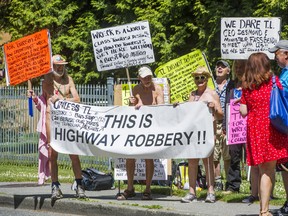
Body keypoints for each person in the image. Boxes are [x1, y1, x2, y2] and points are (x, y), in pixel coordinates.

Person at [28, 54, 86, 200]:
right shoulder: (47, 82)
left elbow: (77, 99)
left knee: (74, 154)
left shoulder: (69, 80)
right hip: (52, 122)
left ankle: (79, 185)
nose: (61, 68)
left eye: (62, 65)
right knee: (52, 155)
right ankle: (55, 186)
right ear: (51, 67)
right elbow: (48, 107)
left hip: (68, 122)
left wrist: (63, 99)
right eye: (57, 66)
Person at [239, 52, 288, 216]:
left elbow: (243, 111)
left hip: (254, 130)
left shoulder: (247, 85)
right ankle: (264, 211)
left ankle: (263, 209)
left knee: (262, 169)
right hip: (271, 127)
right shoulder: (274, 81)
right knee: (269, 170)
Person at [116, 65, 164, 200]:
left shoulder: (157, 89)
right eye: (144, 77)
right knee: (130, 156)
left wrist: (150, 107)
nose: (147, 79)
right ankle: (130, 188)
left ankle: (147, 189)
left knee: (149, 157)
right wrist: (132, 103)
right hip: (137, 128)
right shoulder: (135, 89)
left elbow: (162, 107)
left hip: (151, 127)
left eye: (149, 76)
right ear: (139, 78)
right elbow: (131, 110)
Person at [181, 66, 223, 203]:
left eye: (202, 77)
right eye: (197, 78)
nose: (199, 80)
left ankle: (211, 191)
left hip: (208, 131)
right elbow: (187, 112)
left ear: (207, 78)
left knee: (208, 161)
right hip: (193, 132)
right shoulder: (192, 95)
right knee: (192, 161)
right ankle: (192, 191)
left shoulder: (212, 94)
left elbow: (221, 115)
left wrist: (214, 108)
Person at [268, 40, 288, 215]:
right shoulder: (283, 73)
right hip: (284, 128)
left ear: (286, 54)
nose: (275, 57)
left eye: (277, 54)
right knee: (285, 166)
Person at [222, 60, 246, 194]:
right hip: (234, 126)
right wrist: (226, 124)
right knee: (234, 156)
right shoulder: (231, 85)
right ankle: (233, 186)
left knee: (250, 157)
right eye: (236, 67)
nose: (238, 69)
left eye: (241, 67)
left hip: (248, 126)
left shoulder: (250, 83)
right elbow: (227, 105)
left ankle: (255, 187)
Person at [214, 60, 231, 191]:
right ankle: (217, 180)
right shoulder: (209, 85)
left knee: (227, 154)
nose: (219, 68)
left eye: (223, 67)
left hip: (228, 123)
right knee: (215, 154)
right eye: (218, 66)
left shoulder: (232, 85)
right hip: (213, 123)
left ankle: (229, 181)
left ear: (228, 71)